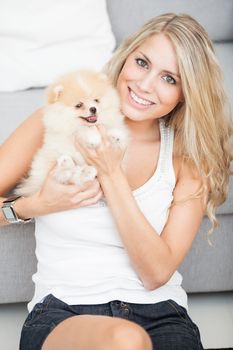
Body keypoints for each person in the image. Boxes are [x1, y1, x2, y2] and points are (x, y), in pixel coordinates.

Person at [0, 13, 232, 350]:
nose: (144, 84)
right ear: (126, 58)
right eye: (142, 63)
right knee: (125, 340)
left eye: (169, 78)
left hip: (162, 316)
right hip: (65, 315)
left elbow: (156, 273)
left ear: (185, 93)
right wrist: (33, 206)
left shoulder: (188, 157)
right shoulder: (58, 120)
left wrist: (111, 173)